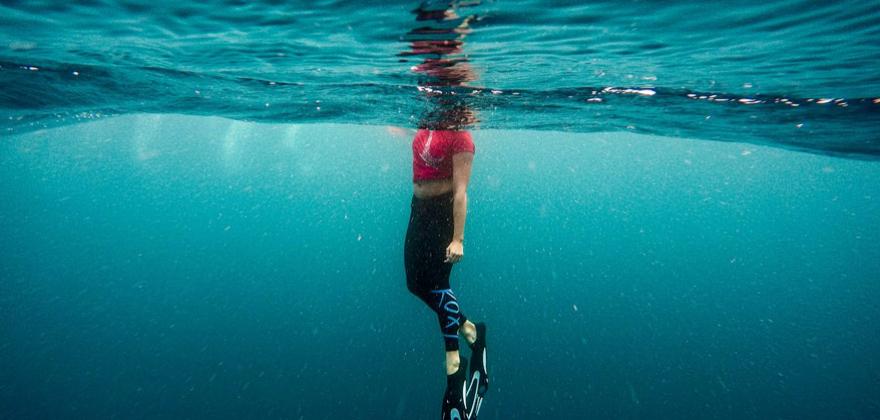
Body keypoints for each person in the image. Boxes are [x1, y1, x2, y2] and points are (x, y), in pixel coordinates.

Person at [404, 104, 488, 420]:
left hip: (441, 215)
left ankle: (454, 369)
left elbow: (461, 193)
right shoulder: (428, 119)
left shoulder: (462, 137)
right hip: (418, 209)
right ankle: (471, 332)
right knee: (414, 284)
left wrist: (458, 239)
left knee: (438, 285)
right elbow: (423, 148)